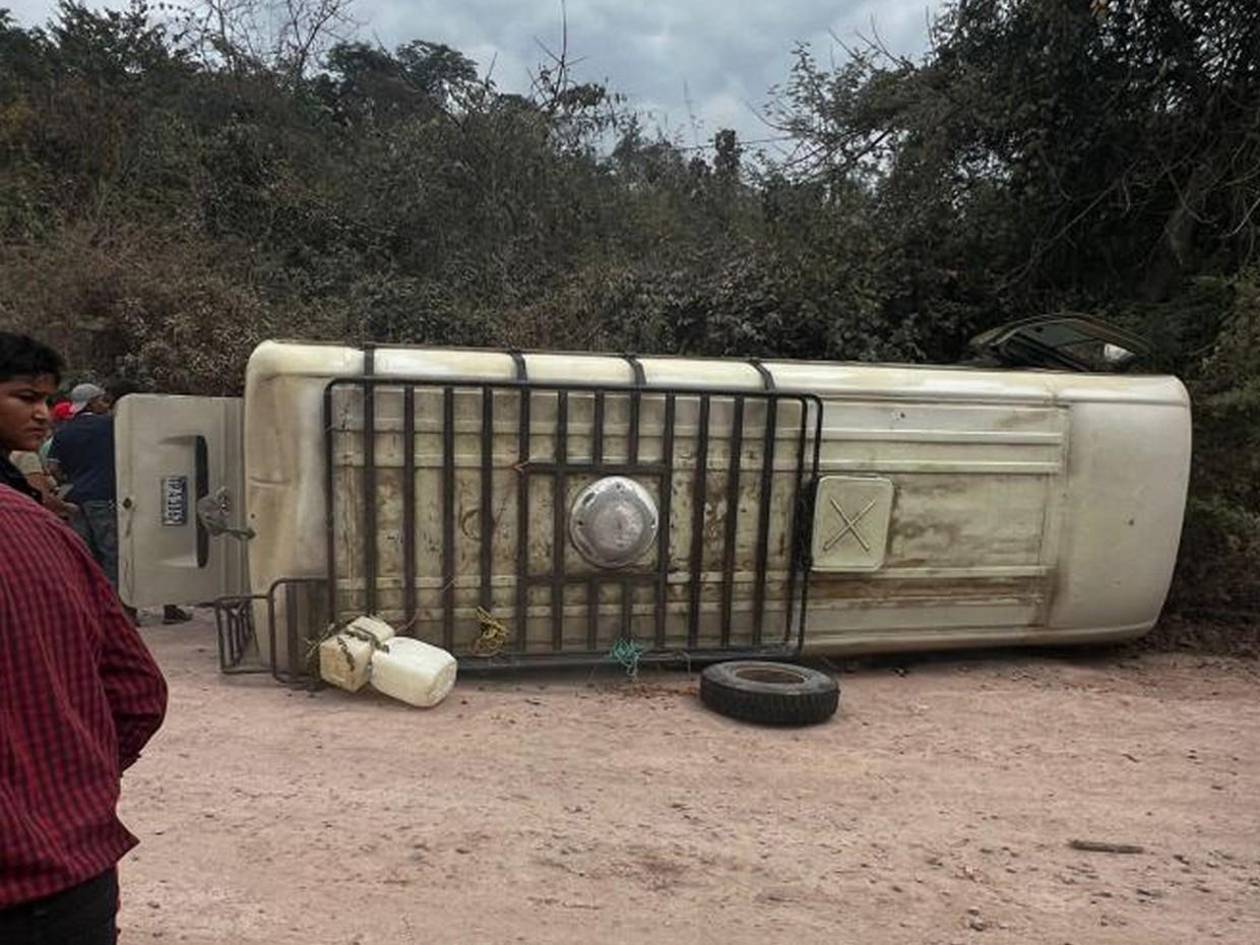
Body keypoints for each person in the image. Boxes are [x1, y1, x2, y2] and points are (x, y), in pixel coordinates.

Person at [0, 331, 168, 945]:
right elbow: (139, 691)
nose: (42, 413)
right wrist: (74, 783)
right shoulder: (38, 528)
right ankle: (139, 603)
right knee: (111, 572)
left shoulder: (56, 460)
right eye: (26, 398)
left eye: (47, 399)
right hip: (78, 873)